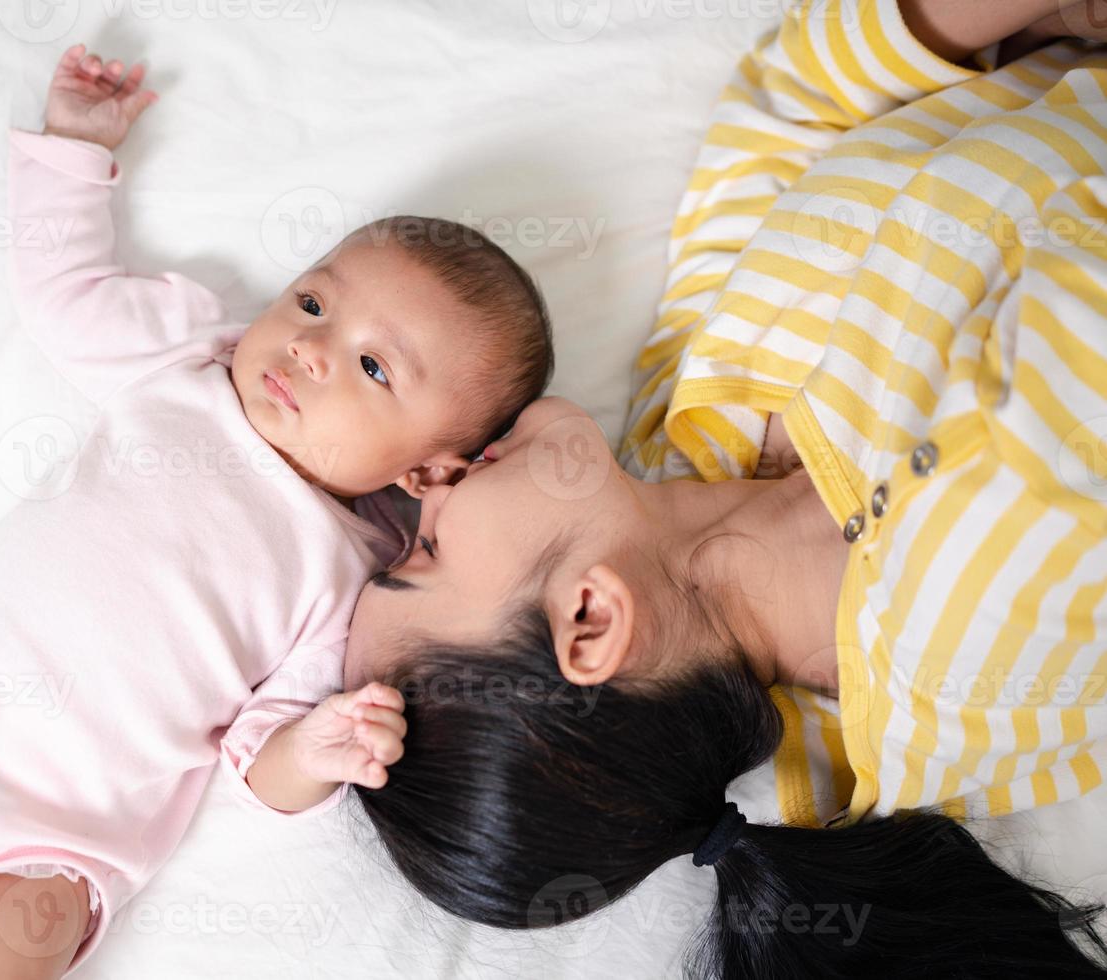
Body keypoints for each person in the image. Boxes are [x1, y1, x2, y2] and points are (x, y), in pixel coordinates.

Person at [0, 44, 553, 979]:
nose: (313, 348)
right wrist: (69, 156)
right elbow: (65, 292)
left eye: (372, 366)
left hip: (39, 845)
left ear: (432, 470)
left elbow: (255, 761)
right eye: (314, 300)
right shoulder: (190, 367)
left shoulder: (343, 580)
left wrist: (313, 752)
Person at [345, 0, 1107, 974]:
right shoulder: (976, 616)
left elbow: (787, 107)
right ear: (589, 621)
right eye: (426, 547)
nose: (425, 481)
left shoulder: (693, 438)